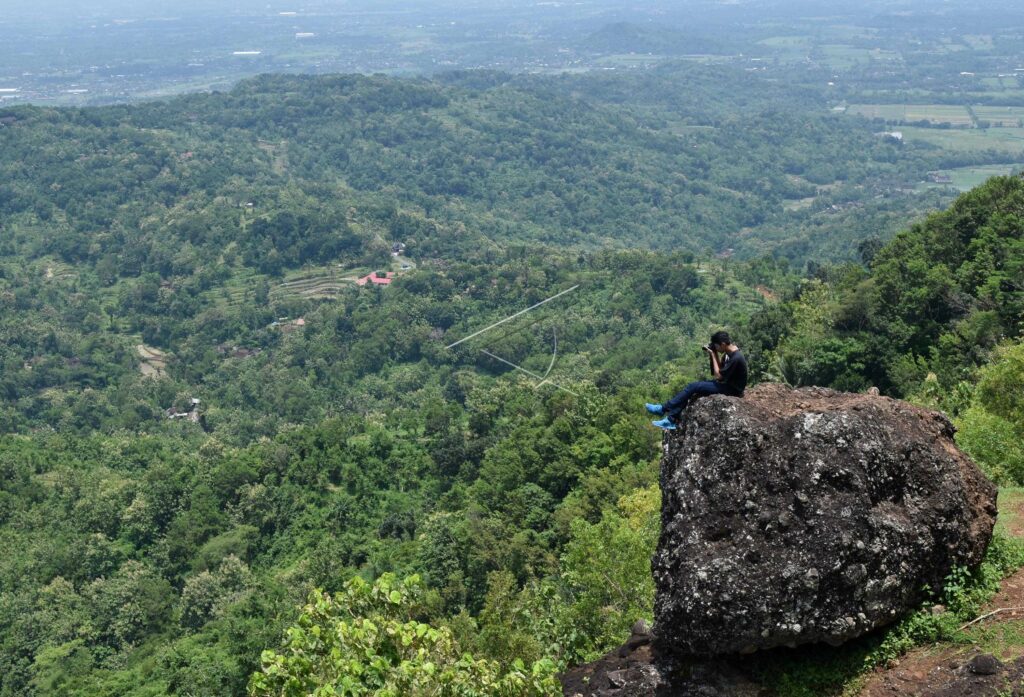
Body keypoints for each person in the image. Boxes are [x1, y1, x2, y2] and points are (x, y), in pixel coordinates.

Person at [647, 331, 747, 430]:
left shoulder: (736, 357)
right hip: (726, 384)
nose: (716, 348)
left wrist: (713, 354)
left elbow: (718, 376)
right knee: (691, 390)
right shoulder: (728, 354)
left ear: (723, 344)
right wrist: (714, 354)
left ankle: (663, 409)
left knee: (693, 386)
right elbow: (720, 370)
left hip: (732, 389)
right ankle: (670, 419)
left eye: (716, 346)